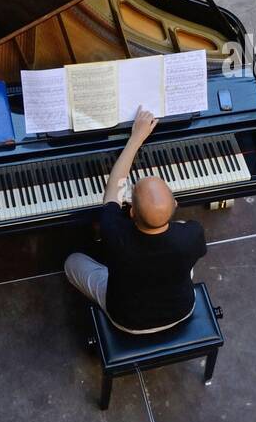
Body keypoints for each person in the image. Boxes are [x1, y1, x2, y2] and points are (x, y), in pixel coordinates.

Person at [64, 108, 206, 334]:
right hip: (182, 308)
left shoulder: (114, 234)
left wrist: (136, 138)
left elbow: (114, 189)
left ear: (130, 213)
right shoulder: (193, 235)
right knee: (181, 254)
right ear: (175, 205)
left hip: (127, 319)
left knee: (71, 262)